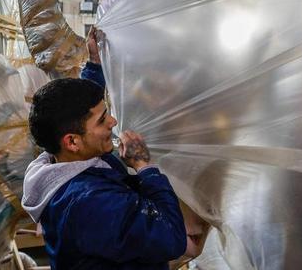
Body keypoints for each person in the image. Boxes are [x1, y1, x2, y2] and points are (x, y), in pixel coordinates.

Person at [22, 78, 187, 269]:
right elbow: (172, 238)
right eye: (102, 121)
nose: (113, 122)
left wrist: (94, 64)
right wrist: (144, 167)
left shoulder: (63, 159)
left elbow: (79, 109)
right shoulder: (91, 201)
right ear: (72, 142)